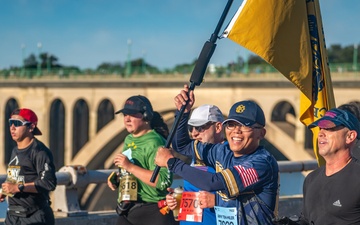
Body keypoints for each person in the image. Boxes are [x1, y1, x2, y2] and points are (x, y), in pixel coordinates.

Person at [155, 85, 279, 224]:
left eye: (245, 126)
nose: (236, 131)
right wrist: (182, 112)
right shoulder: (222, 152)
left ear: (261, 133)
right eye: (231, 125)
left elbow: (213, 182)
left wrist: (171, 163)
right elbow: (182, 146)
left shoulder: (261, 163)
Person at [107, 95, 176, 225]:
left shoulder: (155, 143)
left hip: (153, 212)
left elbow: (163, 181)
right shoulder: (129, 139)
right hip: (129, 209)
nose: (127, 119)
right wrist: (118, 179)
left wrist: (129, 167)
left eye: (132, 115)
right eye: (125, 115)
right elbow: (132, 172)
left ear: (146, 116)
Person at [166, 104, 225, 225]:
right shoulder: (199, 151)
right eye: (191, 128)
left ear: (218, 127)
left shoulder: (227, 154)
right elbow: (179, 145)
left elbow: (212, 184)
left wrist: (172, 163)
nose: (193, 134)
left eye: (199, 128)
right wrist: (180, 197)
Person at [299, 108, 360, 224]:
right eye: (320, 128)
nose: (320, 133)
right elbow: (306, 220)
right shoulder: (311, 179)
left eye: (329, 128)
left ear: (350, 136)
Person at [0, 108, 57, 225]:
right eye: (11, 122)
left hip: (35, 217)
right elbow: (14, 178)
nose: (12, 127)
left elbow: (48, 183)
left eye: (17, 123)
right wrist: (4, 191)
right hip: (13, 217)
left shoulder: (40, 151)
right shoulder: (15, 150)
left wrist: (18, 187)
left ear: (31, 127)